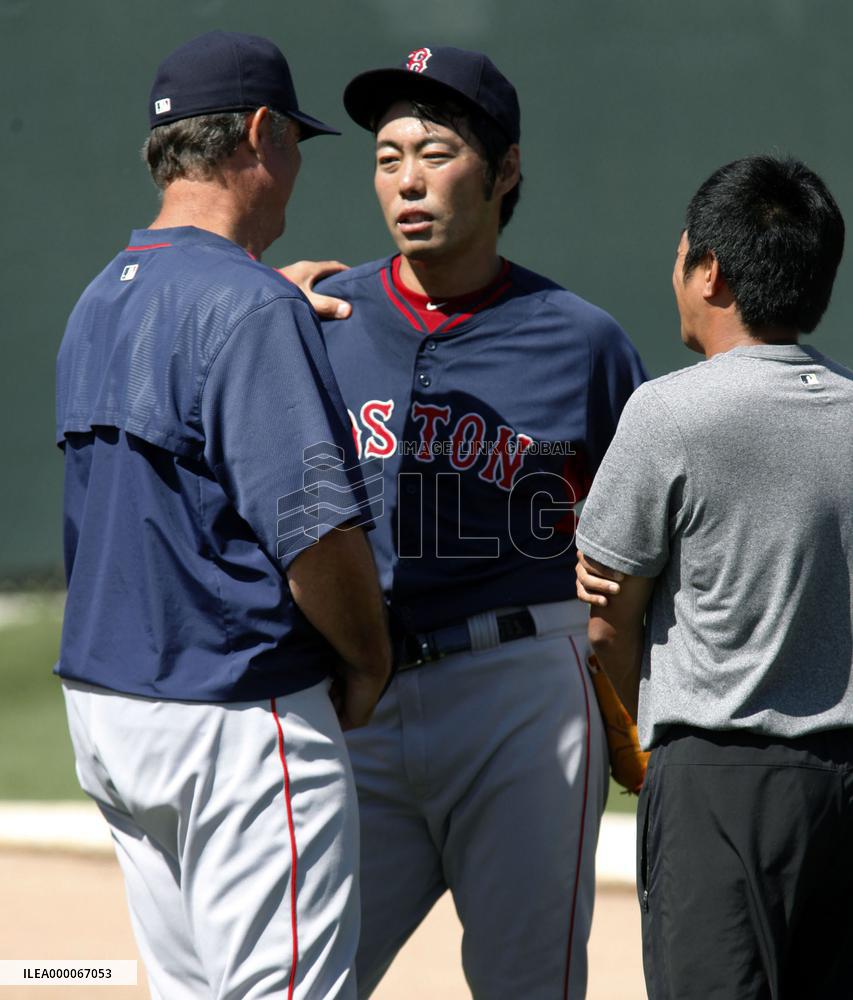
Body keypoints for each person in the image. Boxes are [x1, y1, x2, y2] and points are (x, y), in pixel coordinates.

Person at [302, 46, 646, 999]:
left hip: (519, 695)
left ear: (504, 172)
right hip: (357, 696)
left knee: (526, 983)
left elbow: (641, 538)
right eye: (385, 155)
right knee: (297, 975)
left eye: (437, 151)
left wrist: (629, 694)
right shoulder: (317, 313)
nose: (407, 179)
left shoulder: (580, 339)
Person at [54, 31, 391, 1000]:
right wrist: (366, 659)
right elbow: (314, 532)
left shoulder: (97, 298)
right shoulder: (248, 307)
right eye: (295, 141)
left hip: (111, 714)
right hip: (232, 721)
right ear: (259, 134)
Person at [575, 154, 853, 999]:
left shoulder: (668, 412)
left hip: (715, 789)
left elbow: (603, 621)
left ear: (709, 272)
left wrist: (629, 754)